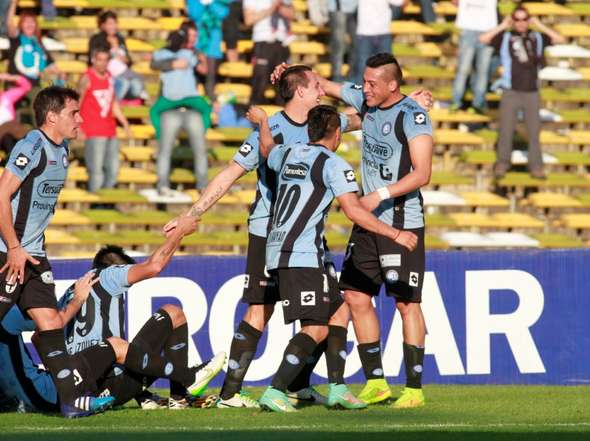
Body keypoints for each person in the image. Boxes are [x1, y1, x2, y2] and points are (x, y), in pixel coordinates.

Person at [164, 64, 432, 408]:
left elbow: (366, 116)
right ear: (301, 92)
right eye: (316, 87)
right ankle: (234, 392)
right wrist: (192, 214)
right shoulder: (275, 127)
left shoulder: (316, 124)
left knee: (334, 310)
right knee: (261, 312)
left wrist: (408, 103)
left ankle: (305, 385)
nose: (322, 91)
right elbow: (230, 172)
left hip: (309, 241)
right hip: (268, 231)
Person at [272, 53, 434, 409]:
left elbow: (422, 173)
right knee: (356, 296)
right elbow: (322, 84)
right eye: (365, 81)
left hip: (401, 219)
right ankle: (376, 382)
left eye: (373, 83)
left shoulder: (413, 116)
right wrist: (291, 71)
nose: (366, 88)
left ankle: (414, 388)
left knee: (407, 303)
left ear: (393, 84)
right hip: (368, 220)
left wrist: (380, 194)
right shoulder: (367, 101)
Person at [249, 104, 417, 412]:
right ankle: (275, 390)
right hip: (300, 253)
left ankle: (338, 387)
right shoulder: (334, 164)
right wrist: (396, 235)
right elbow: (353, 210)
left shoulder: (287, 153)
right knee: (316, 327)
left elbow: (266, 146)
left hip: (287, 250)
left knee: (339, 312)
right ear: (337, 134)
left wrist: (262, 121)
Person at [0, 86, 114, 418]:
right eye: (74, 113)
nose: (80, 119)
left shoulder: (61, 150)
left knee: (49, 322)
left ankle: (70, 401)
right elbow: (2, 195)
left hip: (33, 254)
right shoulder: (31, 145)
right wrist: (14, 248)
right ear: (52, 117)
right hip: (9, 252)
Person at [56, 216, 226, 410]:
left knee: (123, 350)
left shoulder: (70, 293)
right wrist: (180, 233)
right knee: (173, 313)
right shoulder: (110, 274)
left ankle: (144, 395)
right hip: (112, 386)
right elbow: (154, 266)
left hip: (80, 387)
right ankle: (183, 390)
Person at [480, 6, 565, 180]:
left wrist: (540, 25)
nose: (521, 23)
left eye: (524, 19)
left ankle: (536, 166)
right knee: (506, 130)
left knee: (534, 132)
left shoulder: (537, 37)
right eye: (517, 19)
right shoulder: (506, 36)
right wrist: (503, 26)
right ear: (513, 20)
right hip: (511, 91)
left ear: (529, 20)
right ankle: (502, 164)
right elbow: (483, 39)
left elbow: (560, 38)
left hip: (532, 92)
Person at [150, 21, 211, 195]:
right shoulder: (187, 53)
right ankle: (200, 185)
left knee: (167, 149)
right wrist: (177, 63)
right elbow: (202, 68)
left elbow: (154, 63)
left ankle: (166, 185)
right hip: (185, 104)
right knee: (196, 147)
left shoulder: (165, 53)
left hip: (175, 105)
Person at [79, 45, 130, 193]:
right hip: (93, 131)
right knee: (96, 171)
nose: (102, 63)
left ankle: (106, 199)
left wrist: (125, 123)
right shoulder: (87, 78)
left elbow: (113, 103)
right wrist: (78, 127)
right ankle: (96, 201)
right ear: (93, 60)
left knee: (113, 169)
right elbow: (77, 103)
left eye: (105, 60)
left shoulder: (109, 77)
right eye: (99, 60)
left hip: (110, 130)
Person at [88, 10, 148, 102]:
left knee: (137, 85)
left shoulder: (120, 38)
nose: (113, 26)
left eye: (115, 23)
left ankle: (120, 102)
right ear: (102, 25)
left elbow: (128, 60)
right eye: (110, 24)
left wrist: (124, 58)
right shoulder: (97, 39)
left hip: (123, 71)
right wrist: (112, 47)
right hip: (107, 74)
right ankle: (113, 106)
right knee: (124, 83)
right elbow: (95, 59)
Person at [450, 0, 498, 114]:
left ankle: (478, 103)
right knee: (463, 69)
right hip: (467, 30)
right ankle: (456, 101)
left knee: (483, 70)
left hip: (488, 31)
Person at [243, 0, 294, 104]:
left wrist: (279, 6)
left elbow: (291, 14)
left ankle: (284, 118)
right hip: (263, 42)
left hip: (282, 43)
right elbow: (248, 20)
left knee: (283, 88)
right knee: (259, 86)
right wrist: (271, 8)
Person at [5, 6, 64, 88]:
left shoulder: (40, 46)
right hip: (15, 86)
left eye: (32, 22)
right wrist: (13, 3)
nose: (29, 24)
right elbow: (9, 24)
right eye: (26, 22)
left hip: (33, 86)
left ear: (36, 25)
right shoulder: (16, 39)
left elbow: (53, 68)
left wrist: (61, 79)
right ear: (21, 25)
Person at [349, 0, 404, 84]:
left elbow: (400, 2)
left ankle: (383, 95)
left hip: (381, 34)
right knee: (362, 70)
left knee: (386, 69)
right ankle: (360, 96)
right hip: (366, 34)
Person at [186, 0, 230, 99]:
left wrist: (211, 3)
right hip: (196, 45)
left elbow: (223, 13)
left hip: (212, 46)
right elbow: (194, 14)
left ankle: (210, 107)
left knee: (210, 82)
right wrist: (202, 3)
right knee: (192, 79)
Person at [328, 0, 358, 82]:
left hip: (356, 8)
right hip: (337, 8)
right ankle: (336, 76)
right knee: (338, 44)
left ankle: (352, 75)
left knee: (357, 43)